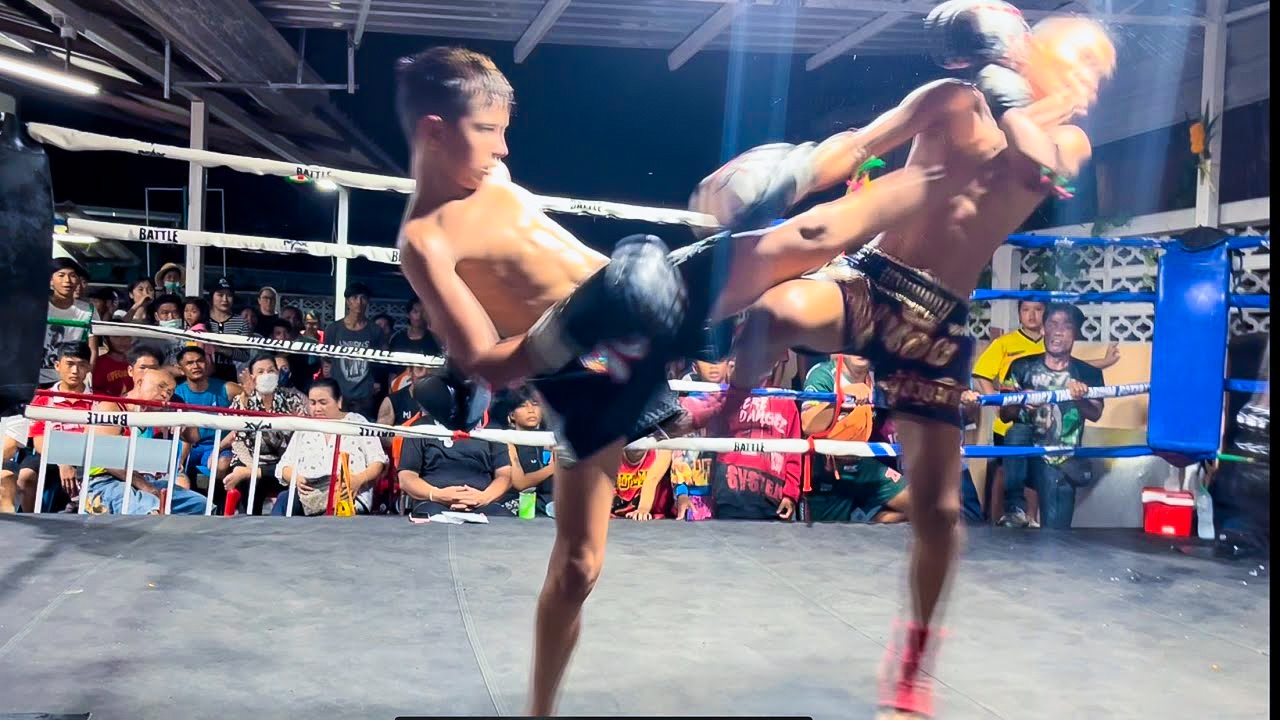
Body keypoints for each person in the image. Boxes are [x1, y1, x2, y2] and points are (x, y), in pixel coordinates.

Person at [394, 34, 1047, 714]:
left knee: (815, 233)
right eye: (487, 132)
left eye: (503, 131)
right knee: (579, 567)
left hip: (654, 298)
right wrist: (575, 323)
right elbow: (486, 362)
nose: (503, 149)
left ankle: (893, 157)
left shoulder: (492, 180)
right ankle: (538, 710)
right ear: (435, 132)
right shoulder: (423, 240)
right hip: (584, 375)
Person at [720, 14, 1116, 718]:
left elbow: (1041, 163)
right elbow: (860, 145)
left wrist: (1023, 99)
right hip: (872, 281)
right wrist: (790, 177)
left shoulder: (1069, 139)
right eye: (1082, 60)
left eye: (1101, 72)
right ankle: (726, 407)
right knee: (774, 313)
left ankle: (912, 660)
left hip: (936, 327)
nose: (1092, 81)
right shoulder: (947, 98)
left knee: (938, 512)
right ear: (1029, 49)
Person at [997, 303, 1104, 529]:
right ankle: (1015, 507)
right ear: (1043, 329)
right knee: (1016, 432)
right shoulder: (1021, 366)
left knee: (1056, 536)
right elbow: (1004, 414)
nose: (1058, 331)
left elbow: (1095, 413)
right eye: (1052, 324)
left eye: (1066, 326)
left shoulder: (1089, 373)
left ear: (1076, 333)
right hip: (1026, 458)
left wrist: (1079, 398)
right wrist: (1020, 400)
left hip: (1061, 461)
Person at [82, 369, 208, 515]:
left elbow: (194, 438)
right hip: (104, 481)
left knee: (199, 505)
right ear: (140, 383)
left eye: (170, 392)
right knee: (150, 510)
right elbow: (108, 460)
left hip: (142, 479)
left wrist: (184, 421)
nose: (165, 394)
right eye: (161, 386)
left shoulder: (154, 413)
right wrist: (147, 487)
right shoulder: (111, 407)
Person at [272, 380, 387, 516]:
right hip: (309, 498)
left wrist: (358, 480)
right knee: (284, 498)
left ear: (339, 401)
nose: (317, 408)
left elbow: (378, 461)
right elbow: (284, 466)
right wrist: (296, 478)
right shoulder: (305, 427)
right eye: (313, 403)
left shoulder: (357, 422)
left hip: (347, 495)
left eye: (323, 403)